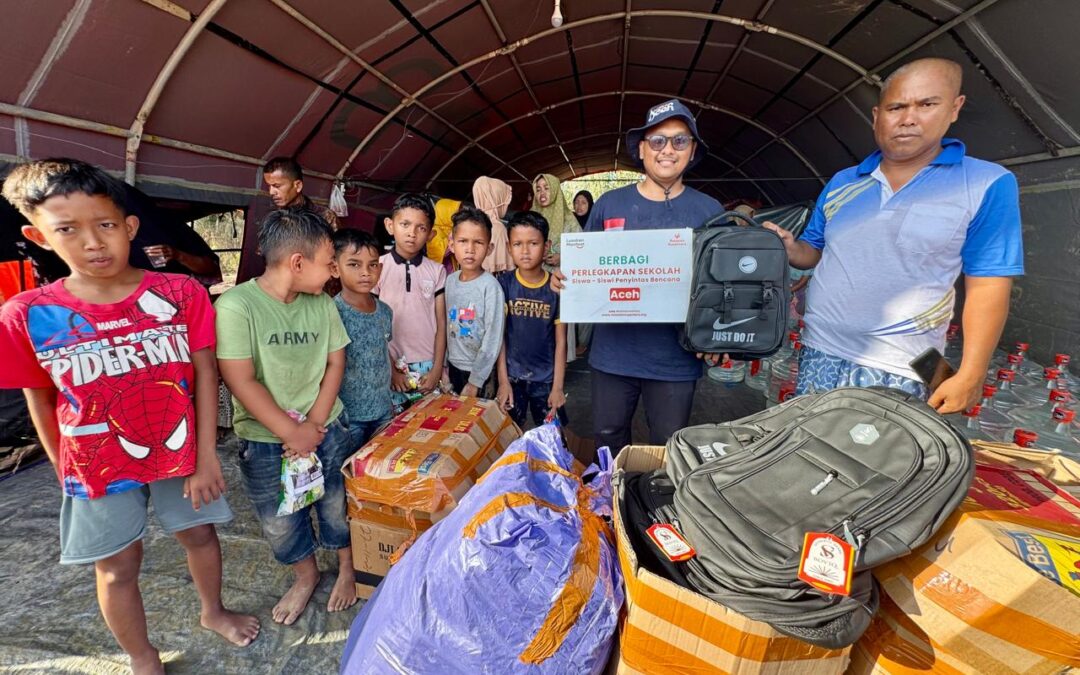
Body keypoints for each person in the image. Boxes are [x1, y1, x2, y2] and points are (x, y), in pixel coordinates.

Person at [0, 158, 259, 674]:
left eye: (106, 225)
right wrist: (63, 468)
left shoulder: (179, 293)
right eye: (68, 229)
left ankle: (213, 611)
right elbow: (40, 397)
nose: (93, 243)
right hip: (96, 464)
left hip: (180, 451)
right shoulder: (26, 314)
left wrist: (207, 456)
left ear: (130, 228)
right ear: (39, 236)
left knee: (201, 535)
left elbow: (206, 373)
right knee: (117, 566)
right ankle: (141, 655)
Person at [764, 58, 1023, 413]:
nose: (908, 119)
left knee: (885, 464)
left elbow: (990, 282)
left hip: (910, 365)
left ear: (954, 108)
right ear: (876, 116)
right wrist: (791, 247)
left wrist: (972, 373)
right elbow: (815, 252)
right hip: (820, 349)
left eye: (927, 104)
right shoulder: (844, 182)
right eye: (896, 107)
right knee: (811, 454)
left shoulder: (985, 182)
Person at [215, 209, 356, 625]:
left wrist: (313, 425)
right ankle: (305, 574)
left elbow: (335, 363)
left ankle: (346, 567)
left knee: (335, 503)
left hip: (325, 427)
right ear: (298, 262)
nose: (334, 272)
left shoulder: (322, 304)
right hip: (264, 438)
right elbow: (241, 379)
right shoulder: (237, 306)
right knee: (280, 519)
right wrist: (290, 432)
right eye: (329, 262)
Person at [579, 99, 722, 451]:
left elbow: (722, 288)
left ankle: (655, 507)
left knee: (666, 446)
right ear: (641, 149)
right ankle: (608, 503)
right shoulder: (608, 205)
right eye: (657, 141)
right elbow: (585, 270)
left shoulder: (710, 212)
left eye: (679, 141)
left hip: (676, 358)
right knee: (608, 437)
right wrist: (566, 282)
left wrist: (718, 338)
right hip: (613, 353)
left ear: (692, 151)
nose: (667, 150)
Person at [375, 194, 448, 409]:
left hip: (428, 364)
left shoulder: (437, 271)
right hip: (391, 364)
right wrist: (390, 369)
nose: (412, 233)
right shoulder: (375, 267)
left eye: (421, 228)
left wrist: (437, 369)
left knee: (429, 425)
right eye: (405, 224)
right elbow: (373, 321)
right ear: (390, 225)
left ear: (431, 234)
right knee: (394, 430)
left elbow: (441, 323)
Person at [496, 211, 567, 429]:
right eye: (518, 244)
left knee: (552, 439)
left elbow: (561, 342)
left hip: (546, 381)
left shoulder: (557, 288)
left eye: (533, 243)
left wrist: (557, 387)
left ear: (546, 246)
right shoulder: (504, 285)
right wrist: (503, 381)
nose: (525, 251)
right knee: (509, 437)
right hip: (513, 379)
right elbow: (500, 338)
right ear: (509, 247)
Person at [331, 228, 394, 449]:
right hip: (348, 417)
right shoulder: (332, 312)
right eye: (354, 264)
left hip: (384, 410)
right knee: (350, 470)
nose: (366, 272)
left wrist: (395, 374)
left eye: (373, 265)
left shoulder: (385, 311)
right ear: (335, 268)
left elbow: (383, 350)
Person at [445, 204, 505, 396]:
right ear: (452, 245)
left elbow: (493, 338)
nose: (470, 249)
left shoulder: (491, 287)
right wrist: (444, 367)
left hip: (480, 372)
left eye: (478, 242)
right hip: (452, 366)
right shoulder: (450, 281)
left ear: (489, 248)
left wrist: (476, 381)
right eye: (463, 241)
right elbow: (446, 325)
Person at [532, 173, 578, 361]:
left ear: (556, 190)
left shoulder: (569, 220)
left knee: (559, 323)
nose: (542, 193)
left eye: (547, 187)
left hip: (560, 281)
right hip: (535, 280)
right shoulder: (532, 218)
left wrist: (562, 257)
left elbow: (583, 252)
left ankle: (560, 365)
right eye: (538, 188)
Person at [262, 157, 340, 230]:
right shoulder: (273, 218)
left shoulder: (324, 216)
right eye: (269, 186)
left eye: (277, 186)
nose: (271, 192)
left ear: (298, 186)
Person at [472, 176, 514, 273]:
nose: (506, 205)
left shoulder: (471, 223)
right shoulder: (498, 228)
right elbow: (505, 271)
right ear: (496, 200)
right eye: (504, 200)